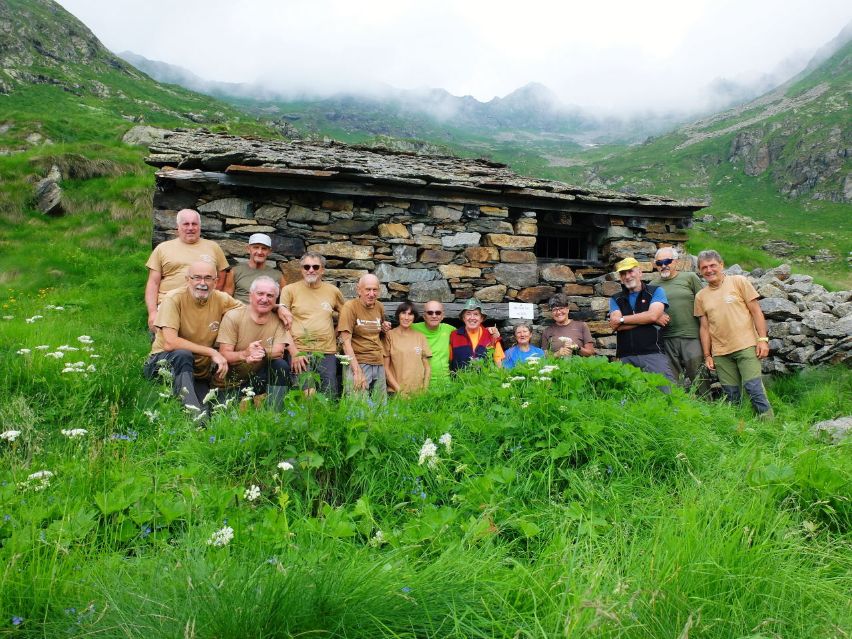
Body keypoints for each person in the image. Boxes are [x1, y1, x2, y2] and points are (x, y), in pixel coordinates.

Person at [143, 261, 241, 414]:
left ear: (215, 282)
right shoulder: (173, 298)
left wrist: (275, 307)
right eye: (197, 277)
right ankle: (193, 416)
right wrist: (212, 352)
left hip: (198, 371)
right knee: (183, 354)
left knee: (209, 409)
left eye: (208, 278)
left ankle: (201, 416)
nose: (202, 283)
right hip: (162, 363)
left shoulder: (221, 299)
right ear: (187, 280)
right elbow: (170, 343)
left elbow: (247, 313)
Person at [694, 250, 773, 417]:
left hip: (746, 346)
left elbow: (756, 312)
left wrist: (762, 339)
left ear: (721, 265)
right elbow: (704, 328)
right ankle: (738, 426)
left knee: (754, 389)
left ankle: (769, 425)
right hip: (721, 353)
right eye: (704, 267)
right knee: (731, 395)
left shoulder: (738, 282)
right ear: (700, 271)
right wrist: (707, 355)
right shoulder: (701, 296)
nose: (709, 270)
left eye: (712, 265)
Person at [145, 208, 229, 332]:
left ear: (199, 226)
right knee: (168, 341)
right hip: (169, 304)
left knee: (203, 339)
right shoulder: (162, 248)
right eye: (186, 224)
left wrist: (212, 300)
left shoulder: (213, 247)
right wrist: (152, 312)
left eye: (194, 224)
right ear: (178, 227)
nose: (190, 228)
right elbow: (153, 282)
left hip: (204, 306)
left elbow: (221, 276)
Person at [216, 276, 291, 409]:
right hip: (229, 383)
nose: (264, 299)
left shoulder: (279, 319)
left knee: (280, 365)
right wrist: (245, 354)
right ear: (250, 296)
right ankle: (248, 401)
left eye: (270, 295)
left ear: (276, 299)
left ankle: (275, 412)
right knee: (226, 415)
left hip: (258, 378)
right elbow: (224, 355)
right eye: (260, 294)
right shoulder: (233, 316)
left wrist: (259, 352)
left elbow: (279, 352)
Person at [279, 252, 345, 396]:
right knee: (308, 394)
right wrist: (293, 352)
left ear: (322, 270)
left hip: (327, 351)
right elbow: (282, 324)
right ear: (301, 269)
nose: (311, 270)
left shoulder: (333, 291)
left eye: (315, 267)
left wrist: (336, 333)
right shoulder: (289, 290)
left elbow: (345, 314)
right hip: (300, 350)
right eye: (306, 267)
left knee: (329, 394)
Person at [651, 247, 711, 396]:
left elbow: (705, 304)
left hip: (692, 336)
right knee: (671, 382)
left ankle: (708, 406)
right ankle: (676, 408)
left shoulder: (690, 278)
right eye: (659, 263)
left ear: (676, 262)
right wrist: (657, 316)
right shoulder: (652, 285)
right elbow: (649, 312)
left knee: (700, 378)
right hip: (666, 339)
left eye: (667, 261)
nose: (663, 265)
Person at [608, 256, 677, 385]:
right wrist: (650, 319)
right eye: (623, 274)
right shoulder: (615, 298)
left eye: (630, 271)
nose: (627, 276)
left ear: (640, 272)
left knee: (666, 391)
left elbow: (652, 315)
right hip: (625, 356)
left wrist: (622, 319)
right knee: (631, 394)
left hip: (652, 353)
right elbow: (615, 325)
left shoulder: (656, 291)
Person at [337, 274, 388, 396]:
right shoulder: (350, 307)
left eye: (375, 290)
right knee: (358, 404)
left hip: (378, 362)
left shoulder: (379, 306)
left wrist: (384, 328)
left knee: (380, 404)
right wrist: (357, 371)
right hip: (358, 362)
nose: (371, 294)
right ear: (359, 290)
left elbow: (377, 330)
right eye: (368, 289)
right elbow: (345, 342)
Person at [384, 301, 432, 395]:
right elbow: (385, 368)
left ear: (414, 317)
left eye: (410, 314)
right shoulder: (389, 335)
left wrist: (425, 389)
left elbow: (427, 367)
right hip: (396, 393)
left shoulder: (420, 337)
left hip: (418, 393)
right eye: (403, 313)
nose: (406, 317)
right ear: (398, 315)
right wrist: (400, 391)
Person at [223, 233, 286, 303]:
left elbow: (286, 301)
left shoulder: (278, 276)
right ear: (248, 249)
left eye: (264, 249)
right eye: (256, 247)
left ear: (269, 252)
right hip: (240, 309)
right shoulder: (235, 272)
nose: (259, 252)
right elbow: (226, 299)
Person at [449, 299, 504, 371]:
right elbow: (448, 361)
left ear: (481, 318)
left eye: (476, 314)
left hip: (485, 378)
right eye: (468, 314)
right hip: (460, 378)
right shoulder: (454, 336)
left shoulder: (492, 336)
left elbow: (498, 362)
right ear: (463, 318)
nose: (472, 318)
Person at [411, 300, 455, 386]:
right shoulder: (412, 328)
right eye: (430, 313)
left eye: (438, 313)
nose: (434, 316)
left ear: (442, 316)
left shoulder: (449, 329)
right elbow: (396, 333)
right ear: (424, 316)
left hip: (445, 383)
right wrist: (385, 326)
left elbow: (467, 333)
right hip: (420, 384)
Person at [541, 294, 596, 358]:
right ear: (551, 312)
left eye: (561, 308)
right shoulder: (547, 331)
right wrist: (557, 354)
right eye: (554, 309)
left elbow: (591, 352)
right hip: (556, 364)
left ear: (567, 309)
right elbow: (544, 357)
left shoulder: (581, 326)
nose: (558, 312)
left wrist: (577, 348)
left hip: (578, 364)